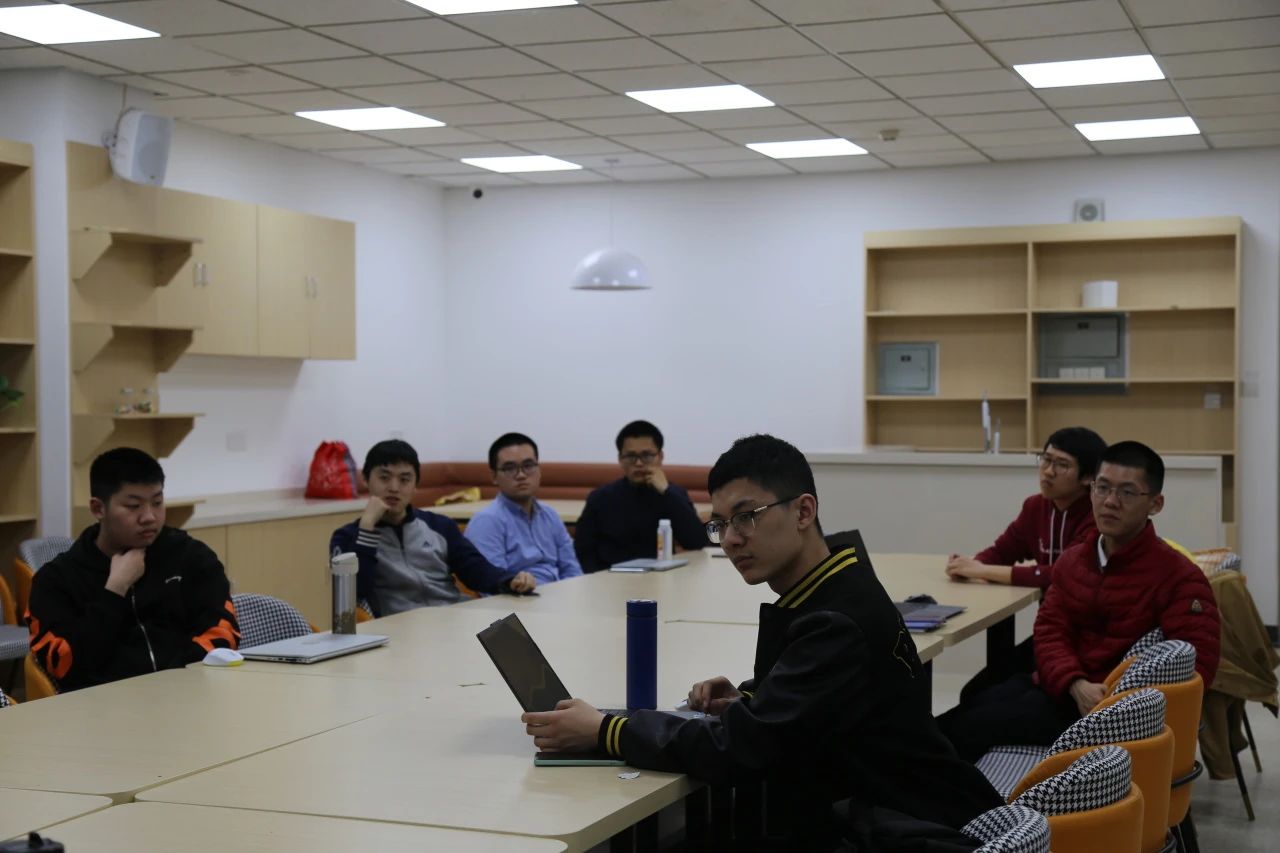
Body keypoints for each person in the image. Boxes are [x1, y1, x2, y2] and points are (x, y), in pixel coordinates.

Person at [523, 434, 1002, 849]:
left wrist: (606, 730)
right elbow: (817, 710)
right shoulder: (840, 582)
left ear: (804, 511)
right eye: (720, 524)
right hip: (898, 806)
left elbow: (738, 750)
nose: (731, 539)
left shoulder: (835, 621)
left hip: (901, 829)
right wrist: (754, 700)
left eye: (746, 517)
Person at [937, 441, 1221, 762]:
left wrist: (1117, 708)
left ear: (1155, 504)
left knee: (958, 731)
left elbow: (1197, 668)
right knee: (965, 705)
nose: (1110, 501)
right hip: (1063, 689)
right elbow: (1049, 631)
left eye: (1127, 492)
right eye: (1103, 488)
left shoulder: (1178, 576)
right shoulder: (1074, 560)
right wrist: (1074, 682)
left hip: (1104, 717)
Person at [27, 447, 239, 692]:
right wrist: (115, 590)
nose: (149, 517)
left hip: (188, 693)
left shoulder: (190, 557)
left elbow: (222, 634)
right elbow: (66, 665)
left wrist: (172, 681)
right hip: (101, 707)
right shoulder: (56, 579)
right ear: (98, 509)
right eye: (133, 506)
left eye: (157, 503)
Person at [331, 439, 535, 617]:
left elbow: (476, 570)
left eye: (404, 479)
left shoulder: (439, 526)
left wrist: (510, 580)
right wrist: (367, 529)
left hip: (453, 617)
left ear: (415, 485)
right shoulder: (346, 537)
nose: (394, 487)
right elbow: (353, 594)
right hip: (400, 627)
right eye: (384, 478)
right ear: (366, 480)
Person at [946, 426, 1107, 589]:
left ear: (1088, 477)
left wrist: (982, 570)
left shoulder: (1098, 515)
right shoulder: (1035, 507)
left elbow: (1062, 574)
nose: (1048, 471)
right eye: (1046, 459)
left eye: (1062, 465)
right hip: (1049, 605)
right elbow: (1002, 552)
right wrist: (968, 566)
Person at [574, 420, 708, 573]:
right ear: (620, 459)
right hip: (611, 577)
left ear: (660, 456)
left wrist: (667, 492)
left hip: (661, 578)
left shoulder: (672, 495)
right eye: (630, 456)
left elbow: (696, 542)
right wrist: (598, 578)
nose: (638, 463)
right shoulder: (600, 498)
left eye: (647, 456)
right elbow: (583, 550)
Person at [464, 432, 582, 585]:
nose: (521, 475)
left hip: (561, 594)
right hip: (520, 598)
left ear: (539, 470)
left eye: (528, 466)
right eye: (510, 468)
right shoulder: (487, 521)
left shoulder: (550, 515)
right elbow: (494, 584)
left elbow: (572, 570)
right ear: (494, 476)